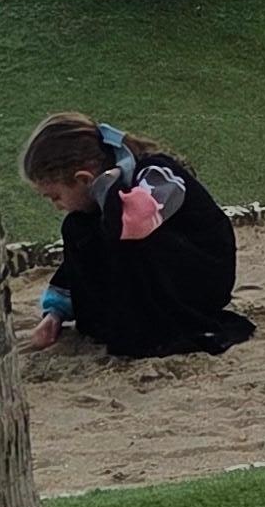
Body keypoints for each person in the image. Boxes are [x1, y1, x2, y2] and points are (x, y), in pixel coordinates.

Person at [19, 112, 252, 359]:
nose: (57, 206)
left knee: (123, 235)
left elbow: (135, 223)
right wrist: (55, 313)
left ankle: (156, 325)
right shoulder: (94, 208)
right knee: (77, 226)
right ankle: (120, 319)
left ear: (84, 179)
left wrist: (105, 185)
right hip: (157, 272)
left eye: (56, 196)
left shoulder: (155, 173)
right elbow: (80, 260)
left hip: (202, 277)